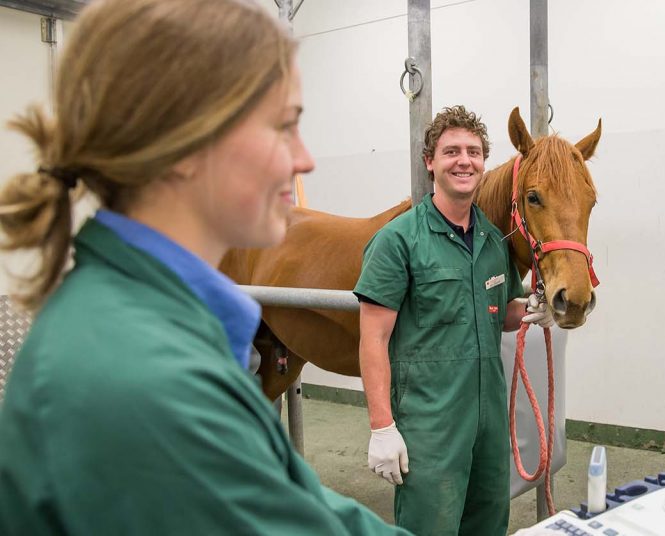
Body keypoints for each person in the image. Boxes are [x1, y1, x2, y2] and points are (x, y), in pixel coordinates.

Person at [0, 0, 410, 534]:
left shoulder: (148, 320)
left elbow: (290, 503)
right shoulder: (148, 378)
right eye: (281, 127)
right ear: (187, 143)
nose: (304, 158)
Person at [354, 105, 554, 536]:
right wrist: (382, 427)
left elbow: (499, 313)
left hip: (488, 427)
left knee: (487, 524)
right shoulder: (397, 241)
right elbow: (372, 339)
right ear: (430, 162)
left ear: (484, 161)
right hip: (431, 429)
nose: (464, 160)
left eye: (474, 151)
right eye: (451, 151)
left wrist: (534, 310)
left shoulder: (492, 240)